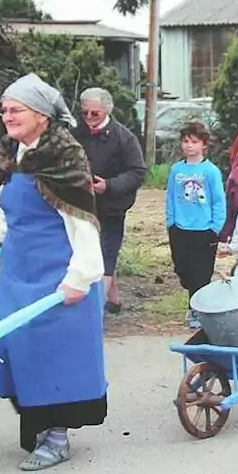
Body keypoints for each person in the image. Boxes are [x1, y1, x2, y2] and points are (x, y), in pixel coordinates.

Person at [0, 73, 106, 471]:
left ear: (43, 116)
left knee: (54, 355)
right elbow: (10, 205)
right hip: (19, 269)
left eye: (16, 109)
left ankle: (57, 438)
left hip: (57, 272)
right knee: (20, 349)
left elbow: (83, 222)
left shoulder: (65, 157)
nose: (7, 116)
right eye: (5, 110)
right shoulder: (19, 153)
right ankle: (37, 429)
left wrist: (79, 276)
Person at [74, 87, 147, 314]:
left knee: (106, 256)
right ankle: (113, 300)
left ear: (107, 110)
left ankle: (94, 313)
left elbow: (137, 172)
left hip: (111, 207)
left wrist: (109, 185)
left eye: (94, 113)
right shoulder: (76, 134)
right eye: (84, 113)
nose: (88, 118)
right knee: (91, 253)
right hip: (81, 206)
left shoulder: (125, 138)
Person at [165, 121, 227, 329]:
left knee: (201, 272)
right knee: (182, 268)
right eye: (185, 141)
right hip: (180, 228)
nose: (189, 146)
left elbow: (218, 200)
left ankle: (197, 309)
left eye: (194, 142)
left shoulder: (210, 171)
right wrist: (171, 222)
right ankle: (194, 298)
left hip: (204, 229)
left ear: (203, 144)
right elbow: (171, 197)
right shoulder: (176, 170)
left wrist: (215, 228)